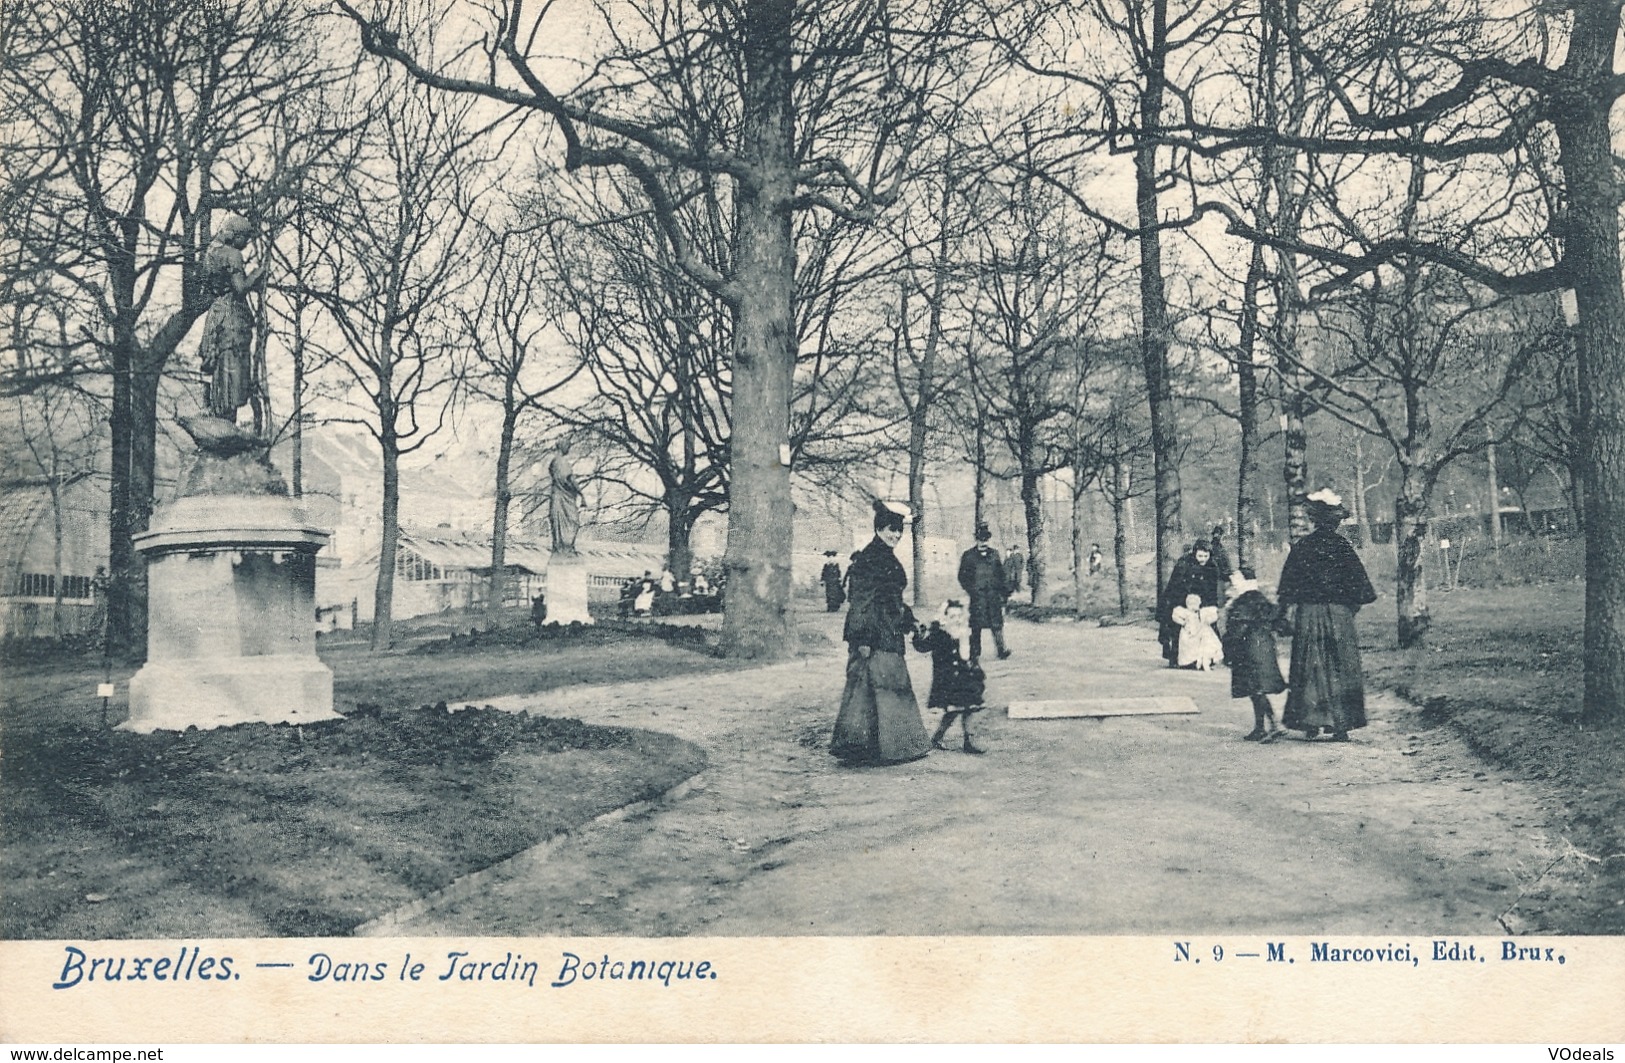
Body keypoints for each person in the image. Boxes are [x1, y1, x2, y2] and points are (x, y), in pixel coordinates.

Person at [831, 500, 931, 766]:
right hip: (872, 635)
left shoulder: (885, 556)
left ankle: (889, 748)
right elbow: (861, 601)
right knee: (869, 688)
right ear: (878, 528)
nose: (895, 535)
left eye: (899, 531)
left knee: (887, 687)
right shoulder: (868, 559)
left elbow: (892, 600)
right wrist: (862, 638)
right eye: (890, 529)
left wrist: (910, 622)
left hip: (888, 631)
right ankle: (863, 749)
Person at [1277, 490, 1378, 741]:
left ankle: (1310, 723)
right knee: (1340, 667)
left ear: (1314, 520)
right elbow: (1361, 588)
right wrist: (1347, 610)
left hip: (1309, 614)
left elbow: (1287, 588)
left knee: (1309, 665)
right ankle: (1341, 725)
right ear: (1335, 522)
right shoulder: (1343, 547)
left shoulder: (1302, 547)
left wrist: (1288, 610)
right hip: (1339, 614)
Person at [197, 214, 264, 421]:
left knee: (219, 363)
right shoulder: (233, 255)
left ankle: (217, 408)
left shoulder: (211, 252)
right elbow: (240, 288)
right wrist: (258, 273)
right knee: (232, 365)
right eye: (244, 238)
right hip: (232, 315)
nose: (246, 243)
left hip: (216, 313)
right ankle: (227, 414)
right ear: (235, 236)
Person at [912, 599, 987, 754]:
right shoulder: (940, 634)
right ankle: (937, 737)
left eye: (959, 616)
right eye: (952, 617)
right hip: (949, 679)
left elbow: (973, 653)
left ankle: (969, 740)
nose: (957, 620)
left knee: (969, 708)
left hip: (967, 676)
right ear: (945, 618)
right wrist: (919, 634)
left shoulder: (967, 633)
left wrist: (974, 666)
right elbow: (922, 647)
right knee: (953, 710)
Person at [1223, 568, 1289, 742]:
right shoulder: (1260, 598)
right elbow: (1279, 622)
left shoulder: (1242, 602)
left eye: (1236, 580)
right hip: (1265, 648)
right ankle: (1261, 727)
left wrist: (1228, 651)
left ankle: (1273, 724)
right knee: (1257, 689)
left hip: (1248, 649)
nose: (1233, 583)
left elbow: (1235, 630)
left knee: (1255, 689)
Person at [1159, 541, 1221, 666]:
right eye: (1200, 556)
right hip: (1179, 598)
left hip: (1201, 600)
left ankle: (1204, 657)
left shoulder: (1212, 567)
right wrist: (1187, 603)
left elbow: (1212, 589)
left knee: (1204, 627)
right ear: (1194, 554)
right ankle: (1175, 658)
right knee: (1178, 628)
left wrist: (1209, 605)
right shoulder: (1184, 564)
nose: (1203, 559)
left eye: (1206, 556)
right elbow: (1176, 586)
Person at [957, 523, 1011, 661]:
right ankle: (975, 652)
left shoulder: (994, 555)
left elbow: (1001, 574)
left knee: (997, 624)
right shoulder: (968, 556)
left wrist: (1003, 593)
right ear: (976, 539)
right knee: (976, 626)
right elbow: (962, 576)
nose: (984, 542)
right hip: (978, 597)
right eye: (981, 539)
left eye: (986, 539)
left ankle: (1001, 649)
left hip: (993, 596)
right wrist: (971, 589)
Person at [547, 439, 582, 554]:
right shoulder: (561, 462)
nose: (569, 449)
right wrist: (580, 492)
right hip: (560, 497)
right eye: (568, 446)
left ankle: (565, 548)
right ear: (562, 447)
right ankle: (564, 548)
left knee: (570, 522)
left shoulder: (555, 462)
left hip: (562, 496)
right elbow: (568, 479)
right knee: (572, 521)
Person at [1171, 593, 1223, 670]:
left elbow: (1214, 615)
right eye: (1191, 604)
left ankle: (1203, 661)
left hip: (1200, 631)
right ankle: (1189, 662)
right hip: (1189, 632)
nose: (1193, 606)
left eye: (1195, 603)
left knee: (1206, 642)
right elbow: (1175, 616)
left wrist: (1208, 621)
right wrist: (1183, 623)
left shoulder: (1202, 613)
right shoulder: (1185, 613)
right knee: (1188, 645)